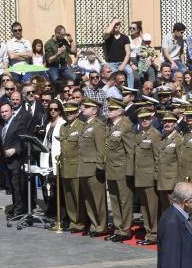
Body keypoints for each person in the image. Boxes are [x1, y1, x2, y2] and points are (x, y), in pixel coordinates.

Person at [104, 98, 136, 242]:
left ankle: (125, 229)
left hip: (122, 169)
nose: (109, 111)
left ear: (121, 111)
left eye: (112, 109)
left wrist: (130, 172)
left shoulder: (126, 125)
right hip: (111, 168)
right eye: (109, 109)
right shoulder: (110, 125)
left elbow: (130, 151)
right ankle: (118, 227)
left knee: (124, 200)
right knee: (115, 199)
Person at [77, 98, 108, 236]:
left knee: (98, 199)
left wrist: (100, 166)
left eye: (87, 107)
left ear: (94, 110)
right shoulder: (85, 125)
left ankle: (101, 226)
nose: (83, 108)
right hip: (84, 167)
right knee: (88, 199)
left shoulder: (98, 125)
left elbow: (101, 148)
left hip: (93, 168)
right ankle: (94, 224)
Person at [134, 109, 160, 245]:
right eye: (141, 119)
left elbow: (157, 157)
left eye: (147, 118)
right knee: (145, 207)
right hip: (140, 177)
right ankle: (149, 232)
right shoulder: (139, 135)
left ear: (151, 119)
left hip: (149, 177)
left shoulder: (155, 135)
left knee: (152, 207)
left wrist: (156, 177)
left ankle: (154, 234)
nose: (144, 121)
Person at [58, 102, 86, 232]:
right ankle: (73, 220)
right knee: (68, 197)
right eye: (67, 112)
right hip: (65, 167)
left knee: (77, 197)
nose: (69, 115)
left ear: (77, 112)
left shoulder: (81, 126)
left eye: (71, 112)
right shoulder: (63, 127)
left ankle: (80, 222)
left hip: (76, 167)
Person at [0, 101, 29, 215]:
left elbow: (24, 141)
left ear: (12, 111)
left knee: (17, 186)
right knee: (11, 185)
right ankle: (16, 205)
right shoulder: (2, 124)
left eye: (6, 111)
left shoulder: (18, 123)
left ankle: (19, 210)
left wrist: (15, 149)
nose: (4, 114)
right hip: (6, 161)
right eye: (2, 112)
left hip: (16, 160)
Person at [102, 18, 133, 86]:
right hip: (111, 63)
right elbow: (106, 32)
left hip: (122, 62)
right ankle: (117, 90)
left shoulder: (125, 37)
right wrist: (114, 22)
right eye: (114, 25)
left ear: (120, 26)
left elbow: (128, 53)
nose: (116, 26)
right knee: (116, 75)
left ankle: (130, 91)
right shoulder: (108, 37)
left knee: (130, 71)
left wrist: (123, 64)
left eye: (118, 24)